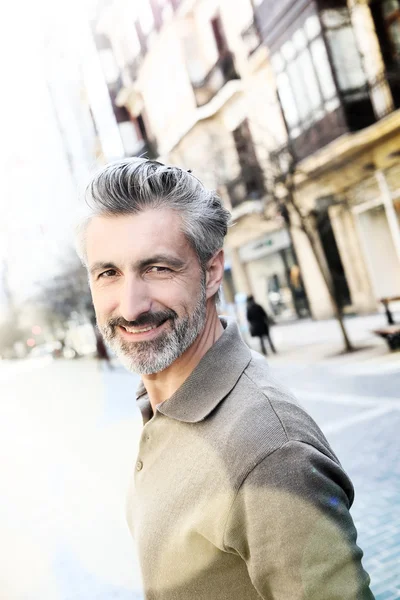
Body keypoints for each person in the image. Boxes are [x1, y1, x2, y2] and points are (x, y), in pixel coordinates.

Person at [76, 158, 374, 600]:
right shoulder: (162, 398)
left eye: (158, 268)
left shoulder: (269, 450)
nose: (131, 305)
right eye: (109, 273)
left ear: (212, 271)